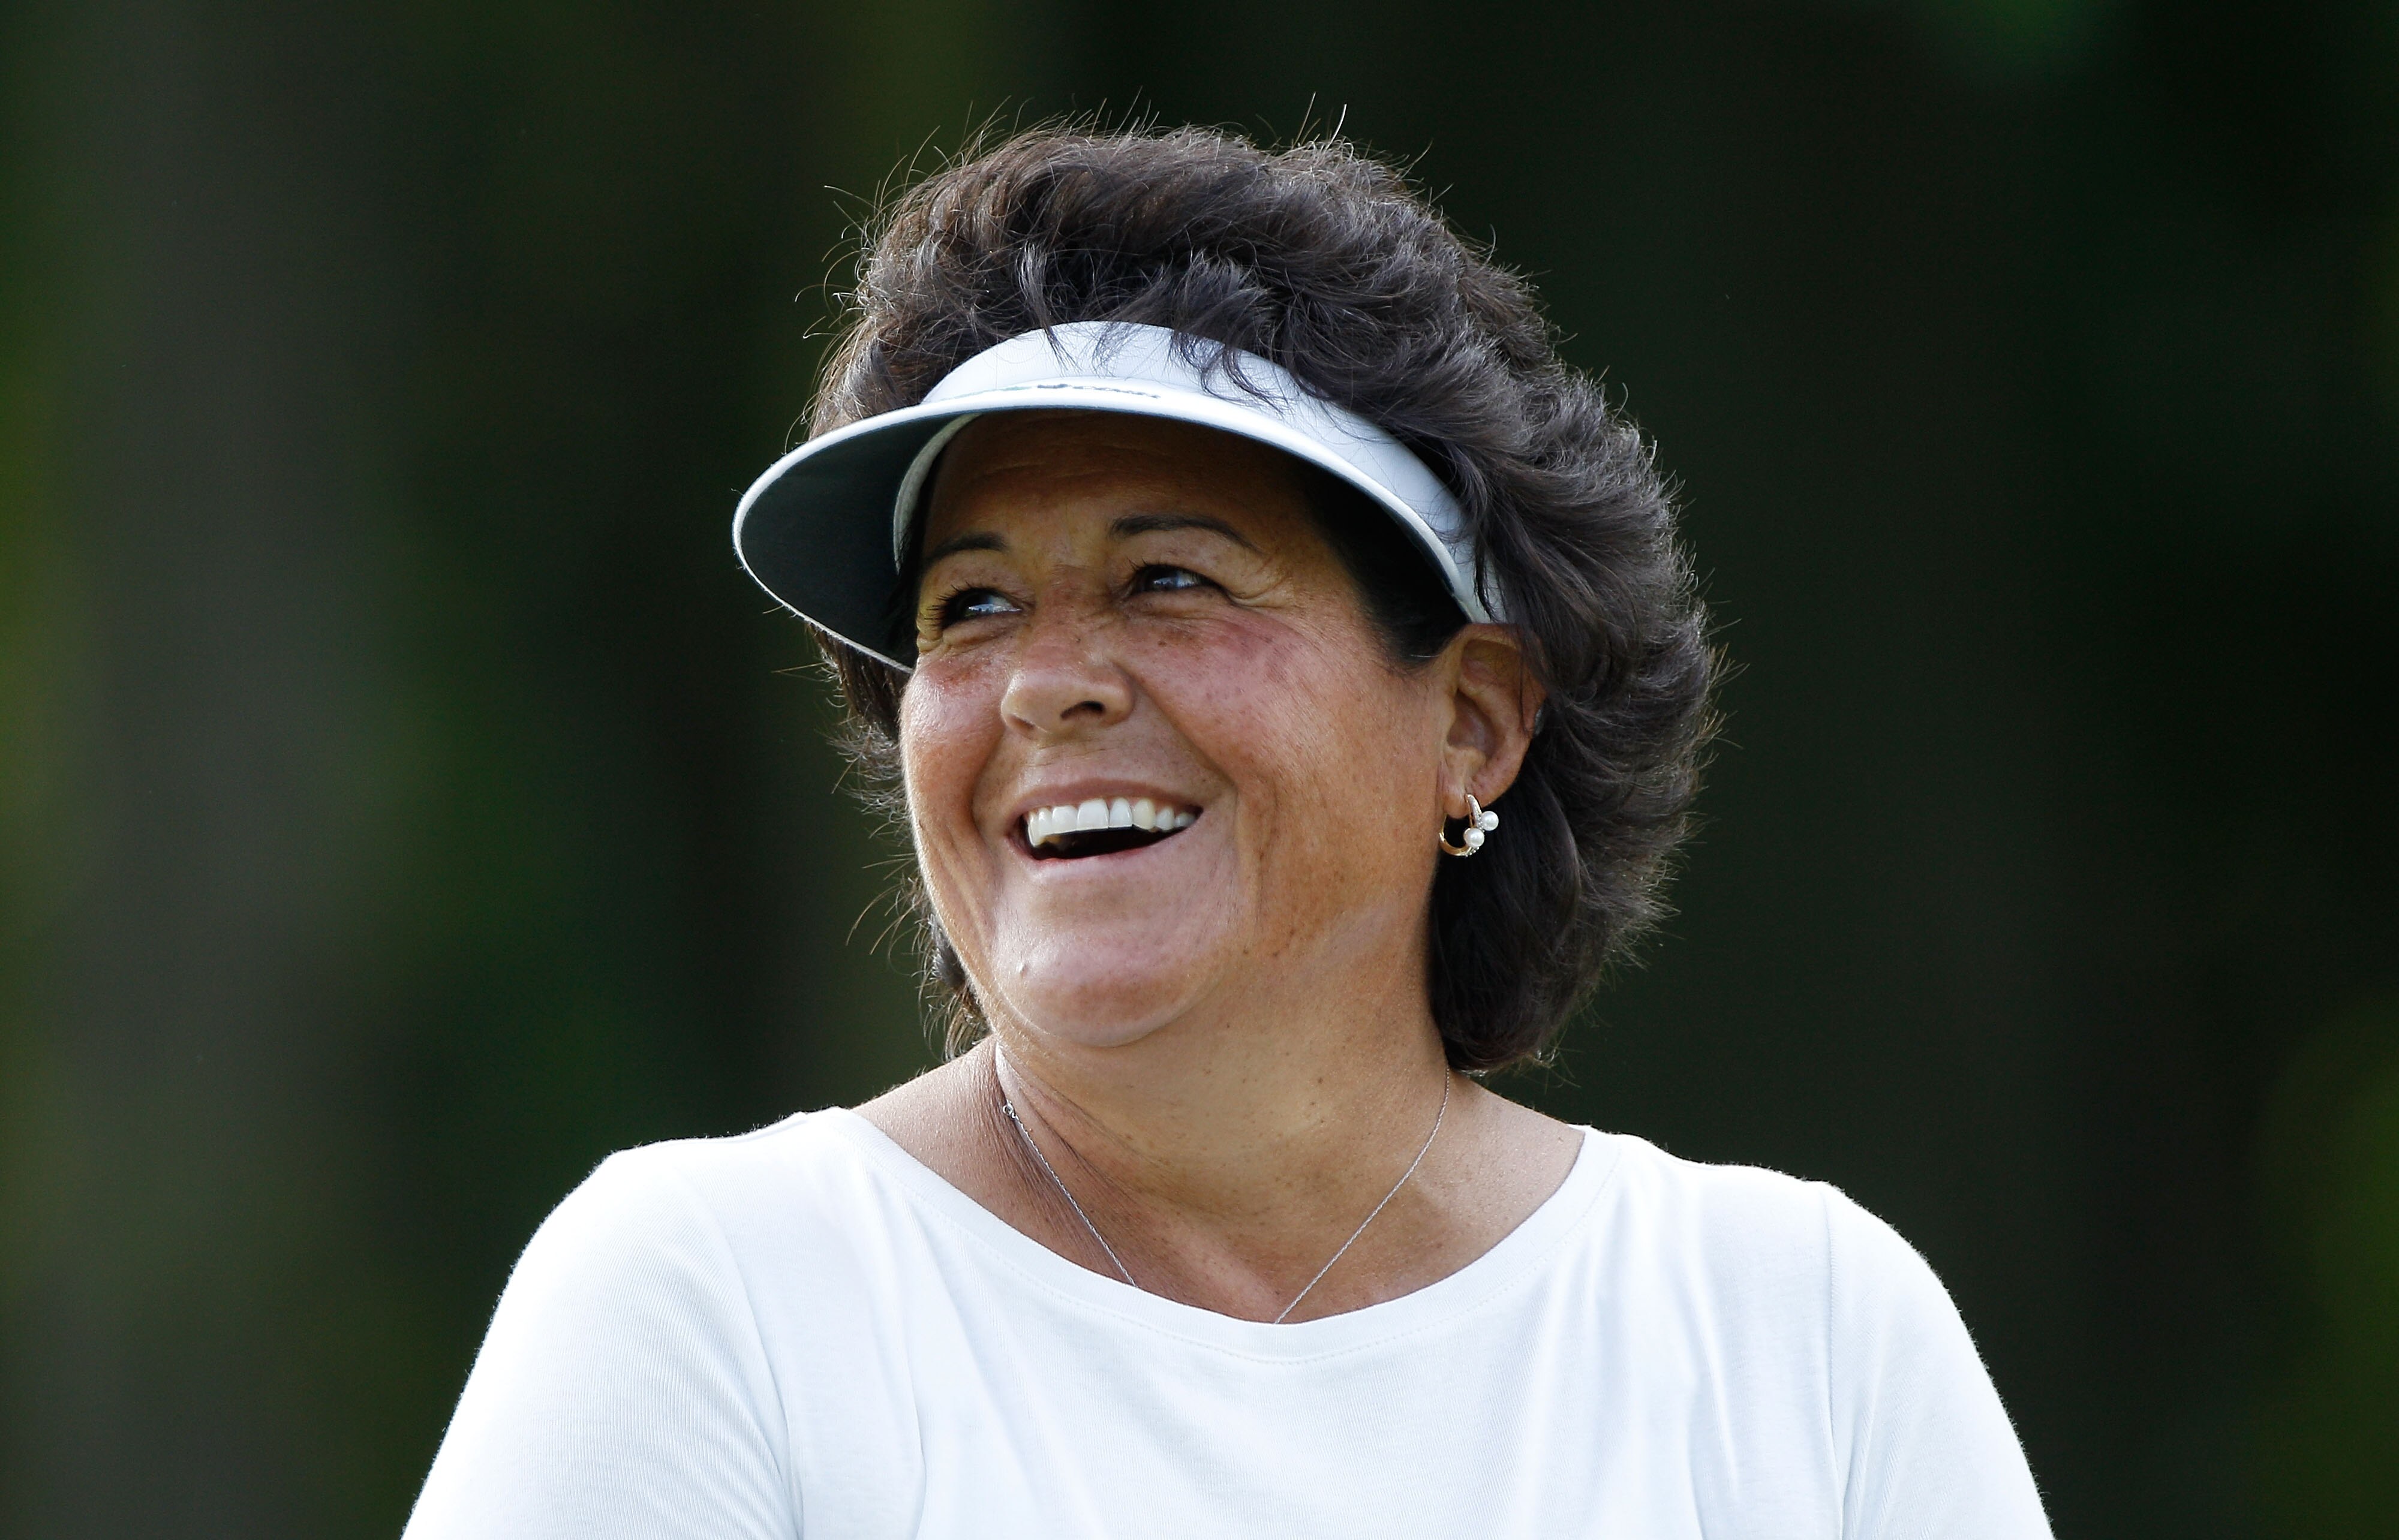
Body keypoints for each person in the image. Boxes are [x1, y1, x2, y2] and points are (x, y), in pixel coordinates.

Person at [403, 126, 2051, 1538]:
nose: (1043, 687)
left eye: (1168, 579)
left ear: (1471, 722)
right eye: (967, 608)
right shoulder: (715, 1301)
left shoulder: (1801, 1339)